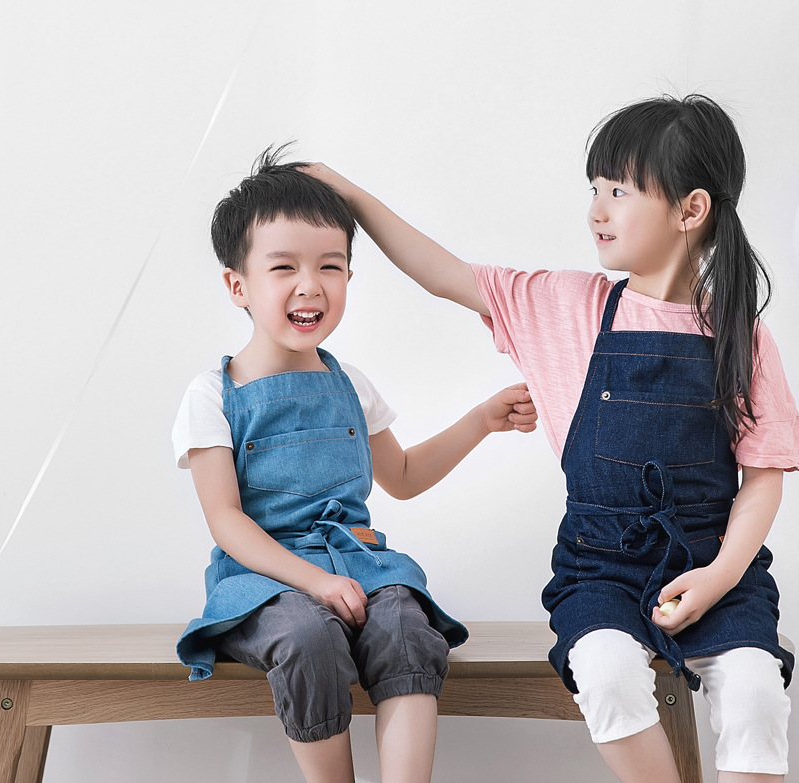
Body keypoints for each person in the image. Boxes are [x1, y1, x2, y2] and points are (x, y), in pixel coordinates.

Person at [305, 94, 799, 783]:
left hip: (718, 564)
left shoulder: (742, 333)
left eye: (619, 191)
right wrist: (348, 193)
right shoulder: (567, 307)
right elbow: (443, 273)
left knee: (755, 694)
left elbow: (763, 476)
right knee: (605, 673)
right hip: (600, 569)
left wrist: (718, 576)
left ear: (691, 210)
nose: (597, 209)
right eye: (594, 189)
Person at [173, 146, 537, 783]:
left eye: (330, 266)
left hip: (360, 565)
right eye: (283, 267)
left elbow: (404, 476)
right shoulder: (213, 395)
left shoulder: (351, 384)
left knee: (406, 625)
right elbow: (226, 521)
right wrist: (313, 583)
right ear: (238, 286)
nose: (310, 285)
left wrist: (482, 420)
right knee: (308, 637)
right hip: (264, 581)